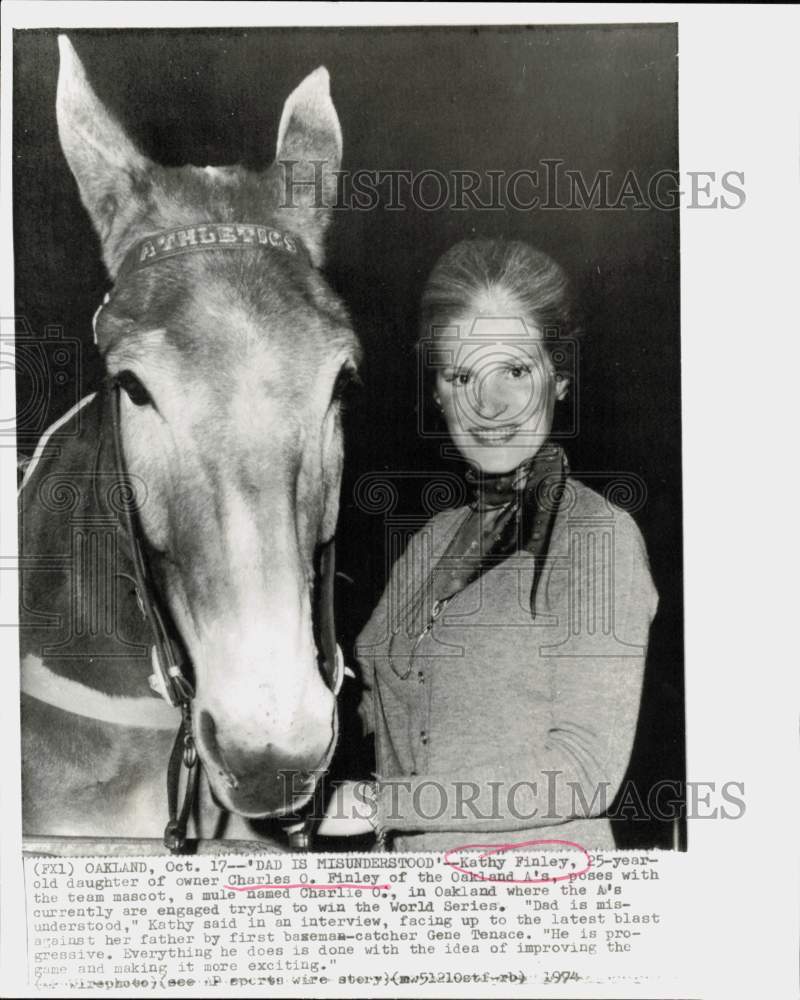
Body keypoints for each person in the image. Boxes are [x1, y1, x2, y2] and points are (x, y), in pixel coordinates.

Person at [319, 237, 658, 851]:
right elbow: (374, 711)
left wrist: (384, 802)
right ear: (438, 392)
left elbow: (585, 772)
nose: (489, 404)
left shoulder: (595, 536)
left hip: (544, 905)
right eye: (463, 374)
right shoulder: (432, 538)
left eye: (516, 370)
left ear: (558, 378)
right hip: (412, 905)